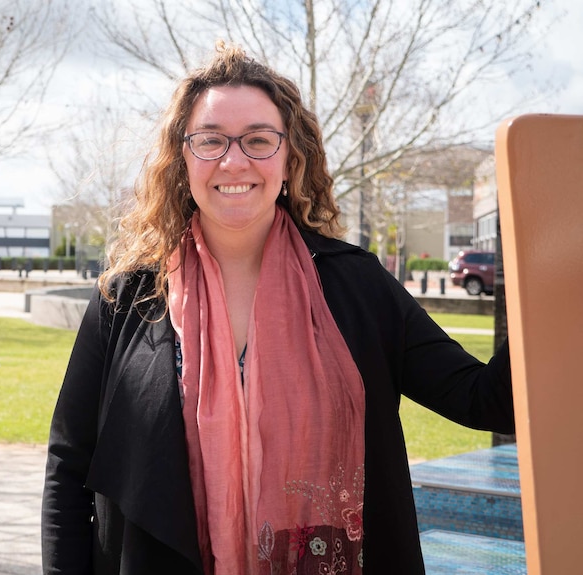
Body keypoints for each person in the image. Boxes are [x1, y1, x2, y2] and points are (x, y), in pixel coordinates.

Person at [41, 44, 514, 575]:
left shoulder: (357, 285)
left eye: (259, 141)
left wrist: (546, 267)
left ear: (290, 161)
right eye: (211, 140)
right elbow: (68, 464)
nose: (234, 160)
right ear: (183, 159)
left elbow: (486, 402)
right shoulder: (126, 300)